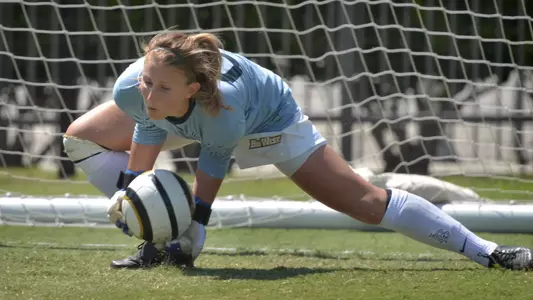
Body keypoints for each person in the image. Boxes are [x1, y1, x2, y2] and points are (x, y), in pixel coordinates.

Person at [63, 30, 533, 271]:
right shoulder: (137, 89)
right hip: (196, 117)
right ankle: (157, 244)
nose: (147, 92)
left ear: (192, 87)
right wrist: (131, 201)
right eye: (146, 80)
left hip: (270, 122)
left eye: (161, 85)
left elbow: (212, 161)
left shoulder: (224, 107)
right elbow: (146, 131)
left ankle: (490, 253)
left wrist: (197, 224)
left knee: (366, 204)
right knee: (79, 136)